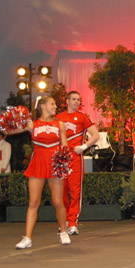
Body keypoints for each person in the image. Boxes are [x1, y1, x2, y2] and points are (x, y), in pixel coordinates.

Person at [13, 96, 71, 249]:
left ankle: (63, 232)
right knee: (33, 202)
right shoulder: (33, 124)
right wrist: (9, 120)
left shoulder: (60, 125)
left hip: (55, 165)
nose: (55, 106)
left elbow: (64, 145)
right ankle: (27, 238)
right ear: (43, 106)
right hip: (37, 164)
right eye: (52, 103)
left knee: (58, 202)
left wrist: (64, 162)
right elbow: (9, 130)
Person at [56, 91, 100, 235]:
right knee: (62, 191)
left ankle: (73, 222)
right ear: (67, 101)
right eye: (74, 99)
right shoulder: (58, 117)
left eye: (78, 100)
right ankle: (65, 221)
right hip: (61, 158)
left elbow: (96, 135)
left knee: (75, 191)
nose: (76, 102)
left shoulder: (83, 117)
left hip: (75, 158)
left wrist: (84, 147)